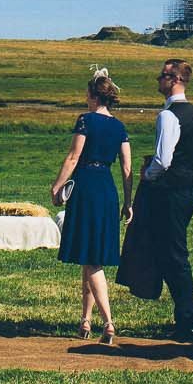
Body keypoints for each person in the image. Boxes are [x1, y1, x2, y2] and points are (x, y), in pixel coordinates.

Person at [51, 71, 132, 342]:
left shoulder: (86, 121)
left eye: (87, 95)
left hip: (86, 186)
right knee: (90, 256)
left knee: (93, 260)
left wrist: (57, 186)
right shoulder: (119, 126)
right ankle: (85, 320)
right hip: (108, 190)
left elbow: (73, 157)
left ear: (95, 96)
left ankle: (108, 322)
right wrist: (129, 201)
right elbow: (127, 167)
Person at [134, 59, 193, 339]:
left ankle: (188, 315)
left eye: (162, 76)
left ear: (175, 79)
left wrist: (147, 175)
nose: (158, 80)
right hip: (190, 187)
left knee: (173, 253)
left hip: (169, 190)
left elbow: (163, 160)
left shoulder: (168, 116)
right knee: (175, 250)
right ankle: (185, 314)